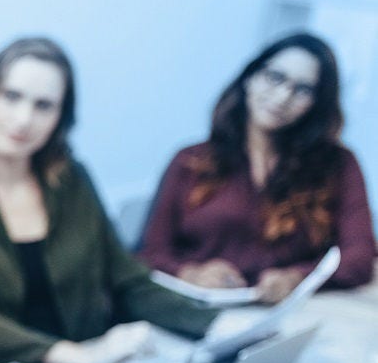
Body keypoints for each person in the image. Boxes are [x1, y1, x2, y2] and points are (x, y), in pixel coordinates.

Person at [0, 37, 216, 363]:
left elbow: (129, 282)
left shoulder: (72, 183)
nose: (23, 119)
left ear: (61, 118)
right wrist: (76, 356)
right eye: (11, 97)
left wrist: (219, 327)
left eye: (44, 106)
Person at [138, 33, 376, 300]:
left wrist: (297, 277)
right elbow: (149, 254)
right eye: (276, 77)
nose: (283, 96)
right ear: (250, 78)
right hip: (198, 306)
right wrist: (189, 273)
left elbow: (360, 258)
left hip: (290, 311)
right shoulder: (190, 160)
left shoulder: (339, 165)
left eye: (303, 90)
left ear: (317, 104)